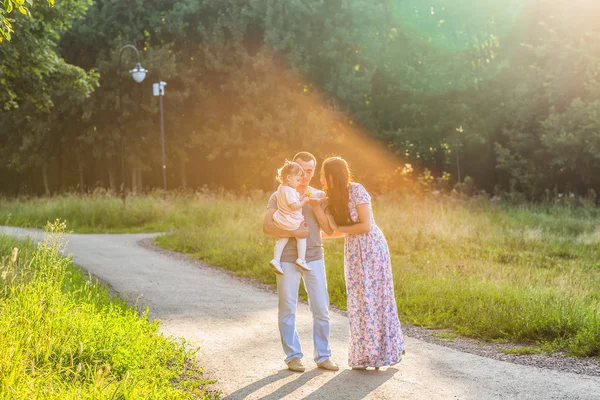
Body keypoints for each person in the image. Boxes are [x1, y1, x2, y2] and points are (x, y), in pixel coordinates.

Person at [320, 156, 405, 370]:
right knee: (359, 301)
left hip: (372, 248)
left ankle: (385, 350)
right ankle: (363, 354)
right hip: (353, 252)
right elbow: (331, 231)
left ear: (333, 175)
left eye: (323, 174)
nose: (320, 179)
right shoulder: (331, 198)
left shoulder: (357, 190)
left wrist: (342, 230)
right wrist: (318, 209)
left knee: (377, 298)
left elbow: (366, 226)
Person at [263, 151, 339, 372]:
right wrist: (296, 230)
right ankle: (293, 356)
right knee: (287, 307)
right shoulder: (279, 195)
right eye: (301, 170)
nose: (305, 175)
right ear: (291, 171)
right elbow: (267, 227)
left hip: (314, 257)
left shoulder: (319, 195)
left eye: (309, 171)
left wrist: (317, 206)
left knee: (321, 308)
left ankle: (323, 356)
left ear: (314, 171)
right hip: (287, 258)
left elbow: (329, 228)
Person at [269, 160, 312, 275]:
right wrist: (304, 201)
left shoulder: (281, 188)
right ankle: (301, 259)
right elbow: (294, 206)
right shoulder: (290, 190)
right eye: (297, 180)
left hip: (282, 219)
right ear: (288, 177)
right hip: (291, 219)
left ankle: (276, 260)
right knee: (301, 237)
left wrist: (301, 196)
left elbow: (291, 199)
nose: (299, 183)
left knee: (283, 239)